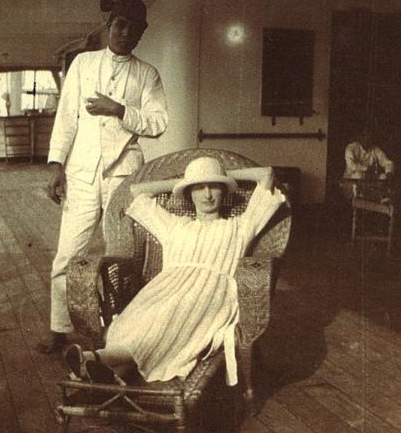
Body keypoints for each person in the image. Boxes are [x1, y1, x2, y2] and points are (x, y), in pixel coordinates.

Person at [63, 156, 286, 387]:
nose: (207, 194)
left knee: (163, 324)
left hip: (208, 296)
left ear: (224, 191)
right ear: (189, 194)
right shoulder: (174, 225)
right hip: (165, 289)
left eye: (214, 187)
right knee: (136, 325)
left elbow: (267, 174)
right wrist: (185, 181)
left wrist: (222, 175)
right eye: (199, 188)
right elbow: (137, 190)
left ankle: (93, 358)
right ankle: (107, 373)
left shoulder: (241, 225)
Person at [37, 0, 169, 354]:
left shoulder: (147, 75)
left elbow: (159, 123)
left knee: (121, 255)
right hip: (81, 174)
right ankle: (59, 328)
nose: (124, 33)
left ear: (141, 33)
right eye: (119, 25)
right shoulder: (82, 64)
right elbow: (67, 118)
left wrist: (119, 109)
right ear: (109, 26)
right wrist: (56, 166)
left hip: (123, 177)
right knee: (68, 253)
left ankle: (119, 329)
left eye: (133, 28)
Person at [341, 127, 395, 202]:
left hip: (369, 182)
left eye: (370, 137)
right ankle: (369, 198)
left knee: (384, 176)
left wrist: (389, 172)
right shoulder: (351, 148)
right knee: (359, 175)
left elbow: (388, 162)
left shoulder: (375, 149)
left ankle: (381, 199)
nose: (367, 139)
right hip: (351, 182)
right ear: (360, 137)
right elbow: (352, 166)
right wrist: (367, 169)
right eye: (365, 136)